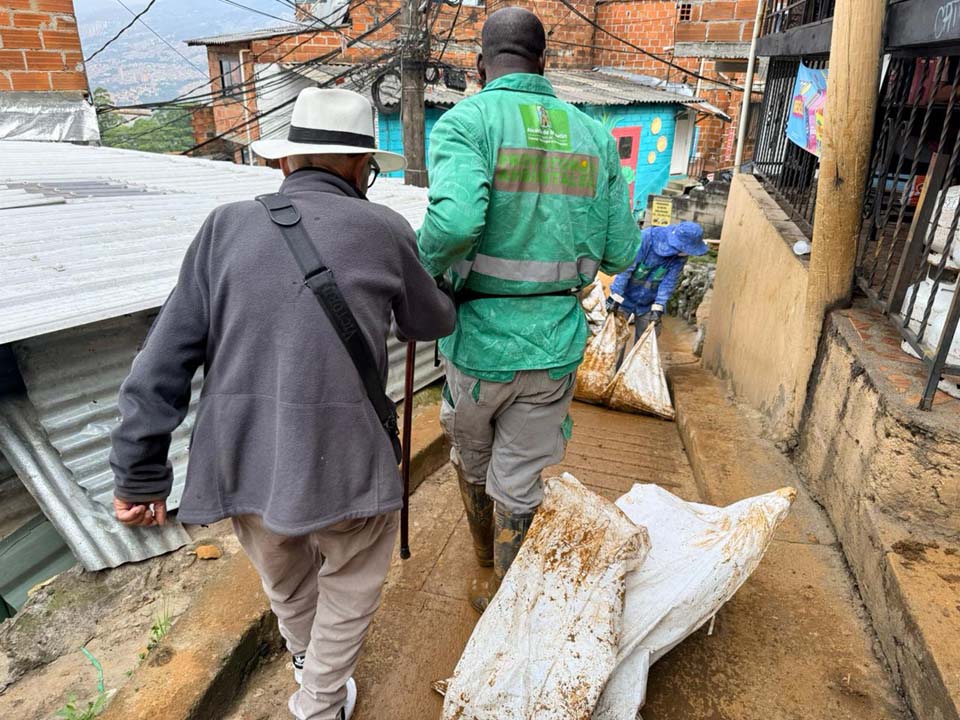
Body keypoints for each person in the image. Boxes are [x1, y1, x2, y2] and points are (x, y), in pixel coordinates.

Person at [109, 88, 456, 720]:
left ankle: (307, 664)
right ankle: (319, 702)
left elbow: (162, 358)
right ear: (361, 168)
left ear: (283, 162)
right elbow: (430, 322)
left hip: (241, 458)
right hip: (347, 458)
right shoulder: (384, 228)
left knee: (287, 577)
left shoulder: (223, 226)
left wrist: (140, 471)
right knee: (350, 581)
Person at [417, 7, 642, 611]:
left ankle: (483, 566)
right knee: (519, 481)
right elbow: (623, 249)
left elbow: (456, 222)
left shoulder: (466, 122)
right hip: (552, 348)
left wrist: (425, 267)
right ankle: (509, 609)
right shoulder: (594, 135)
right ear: (545, 62)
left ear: (480, 64)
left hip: (478, 348)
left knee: (471, 457)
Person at [607, 221, 709, 342]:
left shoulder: (680, 257)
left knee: (647, 343)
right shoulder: (646, 239)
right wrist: (615, 295)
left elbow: (668, 281)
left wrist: (659, 306)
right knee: (613, 342)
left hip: (648, 304)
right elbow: (626, 269)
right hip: (625, 297)